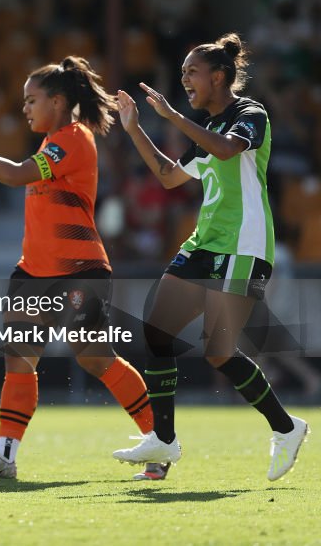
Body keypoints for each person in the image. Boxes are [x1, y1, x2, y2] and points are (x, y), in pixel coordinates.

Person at [0, 57, 160, 481]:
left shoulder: (73, 138)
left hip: (78, 270)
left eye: (31, 100)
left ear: (57, 101)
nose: (25, 108)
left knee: (95, 360)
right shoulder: (53, 140)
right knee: (18, 360)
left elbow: (19, 175)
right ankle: (4, 456)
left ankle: (159, 439)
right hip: (34, 271)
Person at [112, 33, 309, 480]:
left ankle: (287, 428)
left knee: (218, 351)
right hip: (204, 243)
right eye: (182, 72)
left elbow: (227, 149)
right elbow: (168, 177)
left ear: (219, 77)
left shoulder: (249, 114)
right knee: (158, 334)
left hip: (245, 245)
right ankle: (163, 440)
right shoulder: (205, 127)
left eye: (191, 71)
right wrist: (135, 128)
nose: (184, 79)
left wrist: (172, 115)